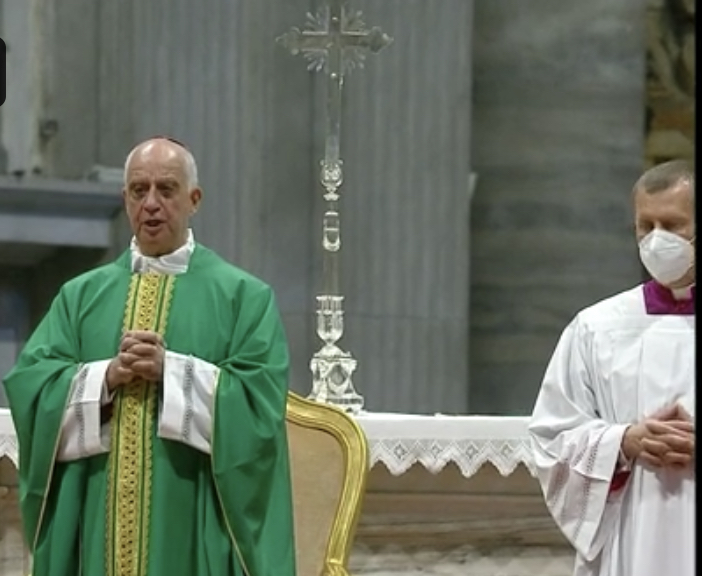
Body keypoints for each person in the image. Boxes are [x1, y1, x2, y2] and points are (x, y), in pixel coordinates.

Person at [2, 137, 297, 576]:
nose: (152, 204)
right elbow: (32, 385)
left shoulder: (244, 298)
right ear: (125, 200)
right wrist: (106, 377)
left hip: (193, 529)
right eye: (139, 191)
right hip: (98, 522)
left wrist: (173, 373)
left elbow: (260, 408)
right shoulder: (80, 296)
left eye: (167, 189)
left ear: (194, 199)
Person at [528, 159, 695, 576]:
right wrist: (624, 442)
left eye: (672, 226)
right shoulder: (597, 327)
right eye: (645, 226)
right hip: (630, 526)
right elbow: (551, 437)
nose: (656, 240)